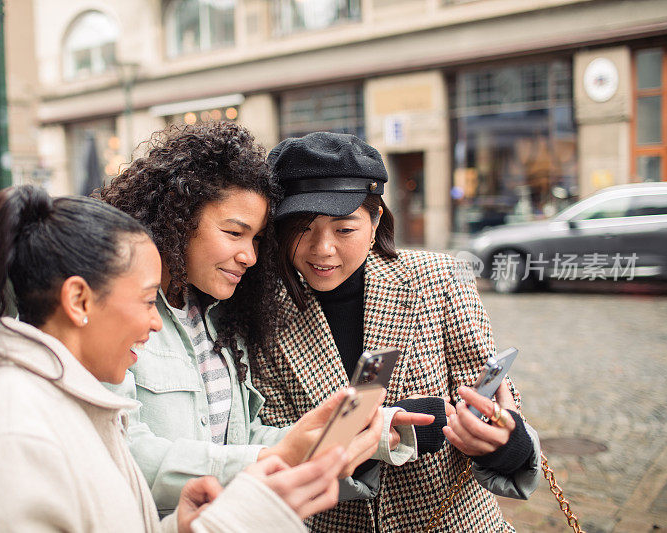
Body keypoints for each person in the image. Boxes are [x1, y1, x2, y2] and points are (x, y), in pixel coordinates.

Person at [0, 185, 350, 533]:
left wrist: (180, 526)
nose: (157, 323)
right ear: (79, 300)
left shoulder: (52, 402)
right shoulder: (9, 435)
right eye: (148, 301)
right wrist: (234, 522)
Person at [96, 122, 433, 515]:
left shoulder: (220, 316)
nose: (250, 257)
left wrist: (367, 430)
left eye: (257, 239)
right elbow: (123, 451)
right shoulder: (116, 311)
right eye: (234, 233)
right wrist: (263, 461)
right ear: (178, 217)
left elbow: (242, 436)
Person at [252, 132, 543, 532]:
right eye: (302, 228)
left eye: (344, 229)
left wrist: (506, 444)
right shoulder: (261, 314)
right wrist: (392, 432)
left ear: (375, 223)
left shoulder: (438, 279)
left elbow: (491, 397)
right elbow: (280, 444)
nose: (322, 249)